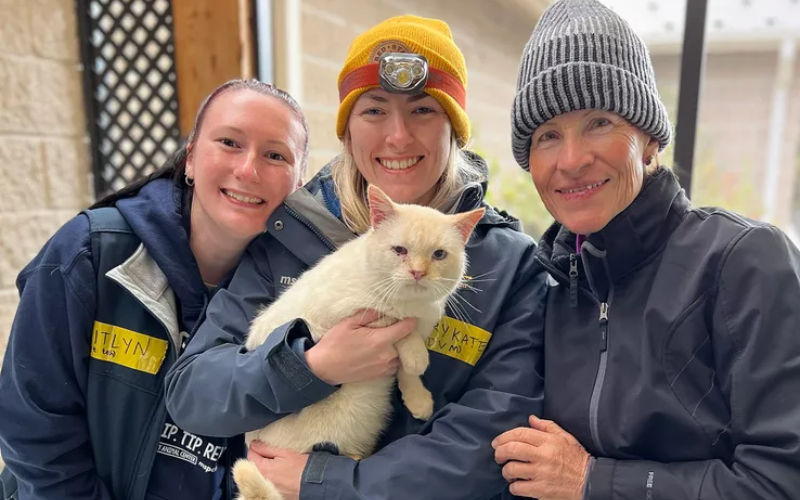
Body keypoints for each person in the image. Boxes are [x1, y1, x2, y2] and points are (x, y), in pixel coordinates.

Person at [165, 15, 547, 500]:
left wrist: (327, 483)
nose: (398, 137)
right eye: (373, 111)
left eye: (424, 110)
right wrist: (310, 367)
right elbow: (194, 395)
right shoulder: (288, 236)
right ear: (346, 133)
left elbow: (494, 441)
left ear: (456, 131)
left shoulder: (509, 267)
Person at [492, 1, 800, 499]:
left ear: (650, 140)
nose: (571, 160)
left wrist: (594, 481)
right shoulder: (544, 284)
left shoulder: (744, 262)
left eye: (598, 122)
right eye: (548, 135)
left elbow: (782, 482)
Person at [0, 79, 309, 500]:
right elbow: (32, 425)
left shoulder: (294, 300)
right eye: (229, 142)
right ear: (191, 160)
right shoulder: (89, 254)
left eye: (275, 155)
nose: (248, 169)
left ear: (297, 185)